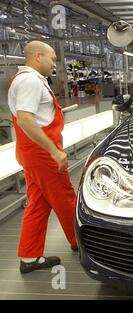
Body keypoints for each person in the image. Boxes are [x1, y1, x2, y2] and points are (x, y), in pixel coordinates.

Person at [7, 41, 77, 274]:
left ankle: (29, 257)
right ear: (38, 57)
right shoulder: (29, 81)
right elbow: (26, 119)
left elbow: (32, 117)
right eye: (52, 58)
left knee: (38, 203)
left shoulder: (27, 80)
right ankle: (82, 243)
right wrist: (54, 150)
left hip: (32, 151)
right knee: (66, 197)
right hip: (42, 153)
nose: (54, 64)